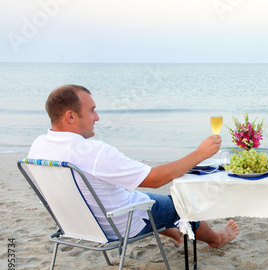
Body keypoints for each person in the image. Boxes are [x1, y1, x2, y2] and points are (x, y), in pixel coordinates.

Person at [29, 85, 239, 247]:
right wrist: (200, 154)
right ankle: (216, 238)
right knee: (180, 203)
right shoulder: (93, 152)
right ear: (71, 116)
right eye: (92, 110)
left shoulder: (38, 147)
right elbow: (155, 180)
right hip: (120, 225)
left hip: (78, 224)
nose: (97, 117)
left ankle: (175, 233)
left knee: (145, 198)